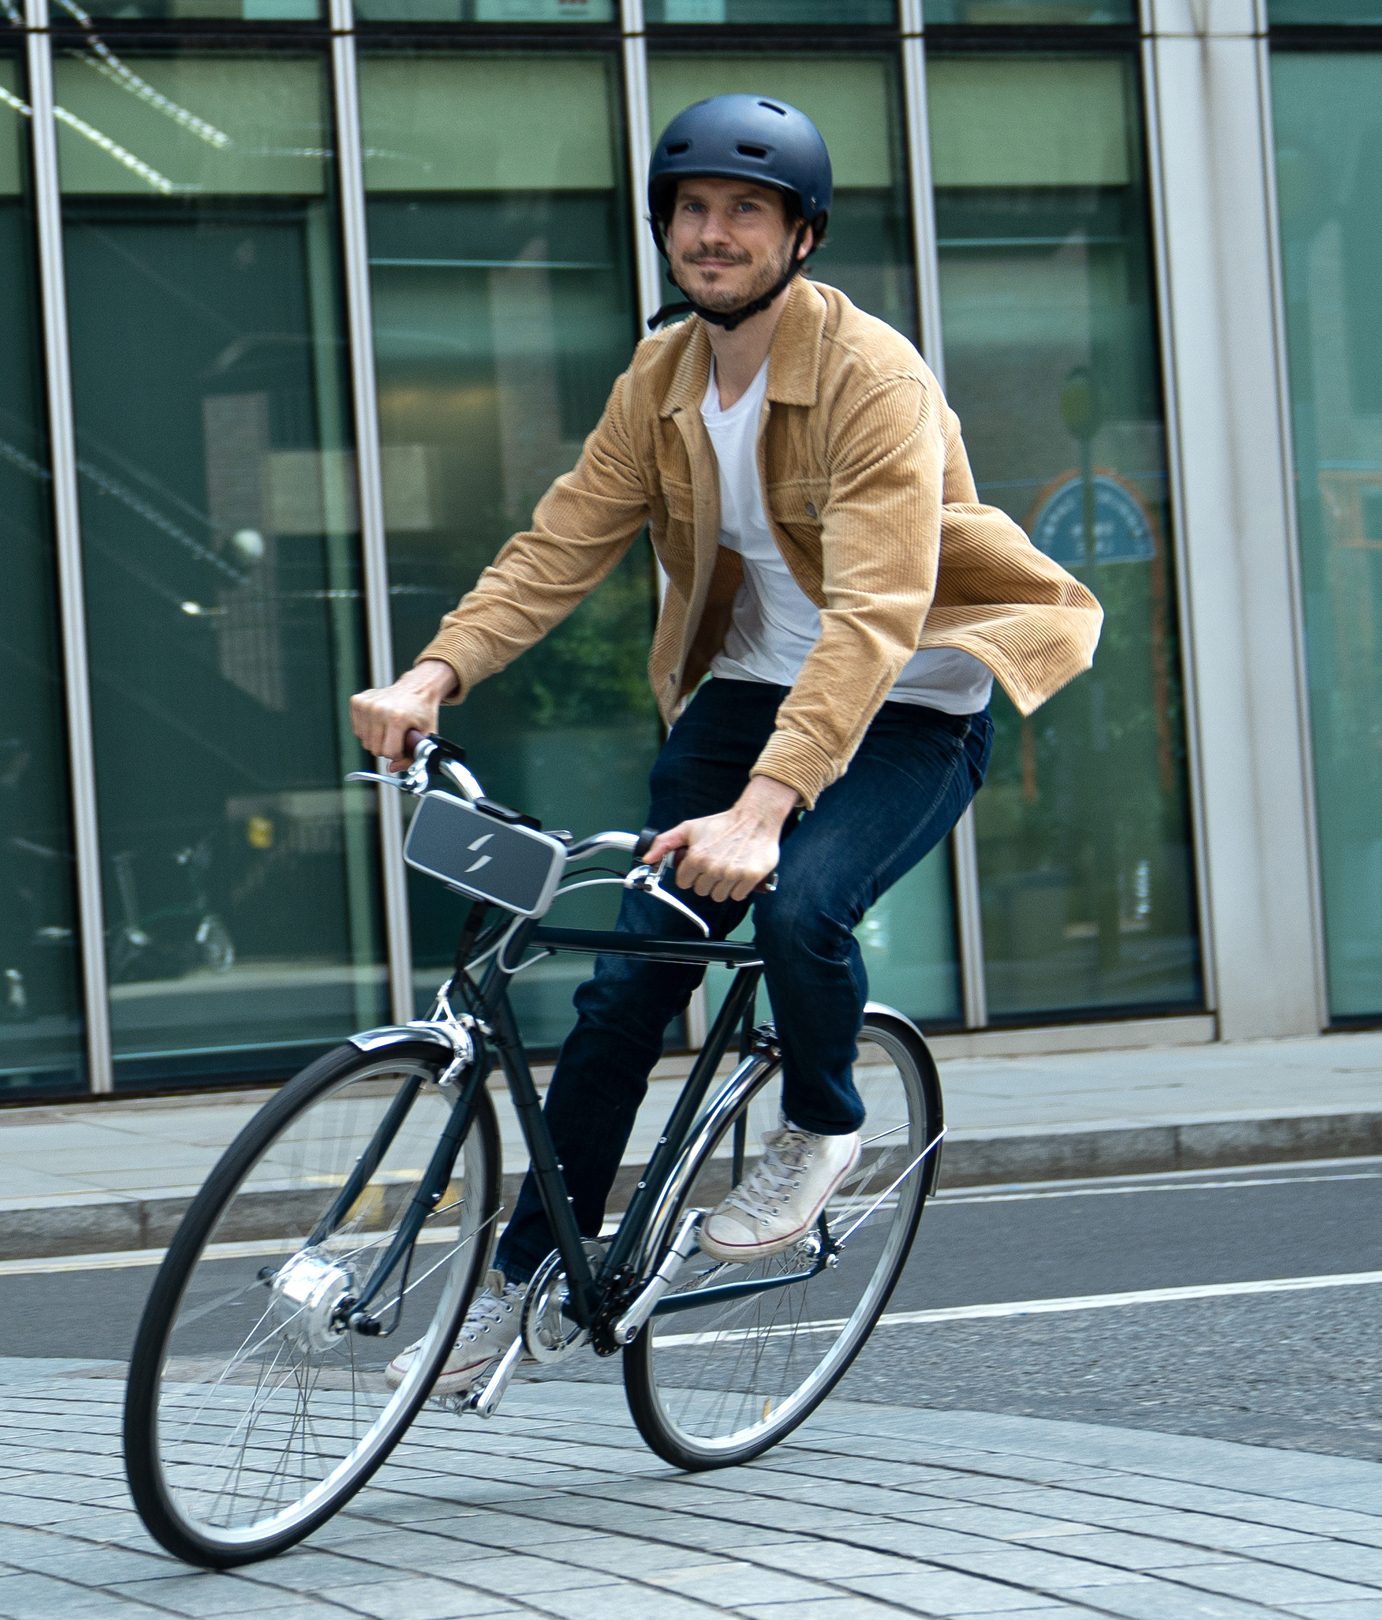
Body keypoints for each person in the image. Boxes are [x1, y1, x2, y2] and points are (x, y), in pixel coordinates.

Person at [350, 93, 1100, 1395]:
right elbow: (561, 543)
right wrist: (435, 671)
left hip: (912, 701)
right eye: (691, 210)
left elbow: (870, 614)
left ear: (800, 237)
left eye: (744, 213)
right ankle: (534, 1269)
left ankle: (819, 1129)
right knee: (628, 984)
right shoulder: (662, 379)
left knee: (803, 903)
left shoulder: (875, 379)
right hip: (750, 694)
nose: (712, 234)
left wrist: (766, 810)